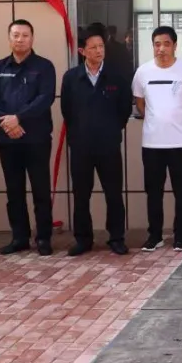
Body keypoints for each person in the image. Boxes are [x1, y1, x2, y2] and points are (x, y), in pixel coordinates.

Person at [0, 19, 57, 256]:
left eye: (25, 35)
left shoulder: (44, 67)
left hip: (36, 139)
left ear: (32, 38)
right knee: (14, 191)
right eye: (16, 35)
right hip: (8, 139)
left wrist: (18, 118)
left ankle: (43, 238)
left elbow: (45, 98)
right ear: (9, 38)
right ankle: (19, 238)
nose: (20, 39)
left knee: (40, 190)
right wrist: (7, 122)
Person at [61, 24, 133, 256]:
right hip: (81, 147)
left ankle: (116, 238)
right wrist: (79, 134)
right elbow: (67, 111)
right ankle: (83, 239)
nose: (99, 51)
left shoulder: (116, 77)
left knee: (114, 194)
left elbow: (124, 109)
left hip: (109, 146)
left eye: (101, 46)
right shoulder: (71, 78)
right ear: (82, 51)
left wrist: (111, 130)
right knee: (81, 195)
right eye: (93, 47)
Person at [132, 26, 182, 252]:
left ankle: (180, 235)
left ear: (175, 46)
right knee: (154, 192)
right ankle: (155, 235)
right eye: (157, 44)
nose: (161, 49)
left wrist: (181, 121)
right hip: (152, 142)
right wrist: (155, 120)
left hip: (180, 142)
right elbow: (140, 103)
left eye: (166, 44)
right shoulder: (143, 72)